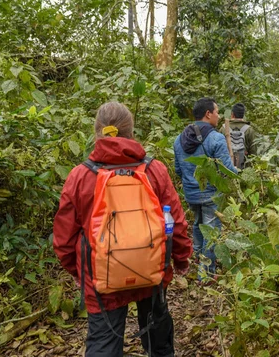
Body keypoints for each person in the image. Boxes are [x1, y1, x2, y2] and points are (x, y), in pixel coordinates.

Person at [53, 102, 192, 357]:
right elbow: (176, 222)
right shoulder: (154, 170)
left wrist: (79, 272)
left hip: (101, 277)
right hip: (152, 270)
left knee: (103, 343)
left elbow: (63, 238)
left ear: (97, 132)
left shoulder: (80, 176)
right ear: (131, 131)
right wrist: (181, 259)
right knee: (159, 338)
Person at [173, 97, 237, 282]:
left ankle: (196, 263)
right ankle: (205, 275)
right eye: (216, 112)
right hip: (211, 196)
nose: (218, 116)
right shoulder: (215, 138)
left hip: (191, 195)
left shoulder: (179, 139)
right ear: (208, 114)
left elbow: (178, 169)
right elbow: (226, 170)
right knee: (211, 231)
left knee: (199, 226)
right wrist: (240, 174)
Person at [222, 103, 257, 169]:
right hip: (244, 168)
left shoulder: (224, 128)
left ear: (232, 114)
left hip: (226, 168)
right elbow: (253, 153)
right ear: (243, 115)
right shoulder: (249, 130)